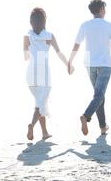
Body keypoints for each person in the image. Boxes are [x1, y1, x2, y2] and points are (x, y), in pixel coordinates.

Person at [68, 0, 111, 136]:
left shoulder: (85, 25)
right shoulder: (109, 25)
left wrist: (70, 61)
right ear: (101, 9)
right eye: (104, 8)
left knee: (98, 96)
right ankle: (85, 116)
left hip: (90, 65)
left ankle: (103, 127)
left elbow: (76, 45)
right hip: (105, 65)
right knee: (99, 95)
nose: (105, 10)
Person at [23, 7, 73, 141]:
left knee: (40, 101)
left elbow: (25, 57)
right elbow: (59, 53)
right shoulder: (49, 36)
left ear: (31, 22)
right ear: (44, 21)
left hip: (30, 72)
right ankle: (31, 125)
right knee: (40, 102)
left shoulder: (27, 36)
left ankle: (44, 132)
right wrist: (68, 65)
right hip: (43, 72)